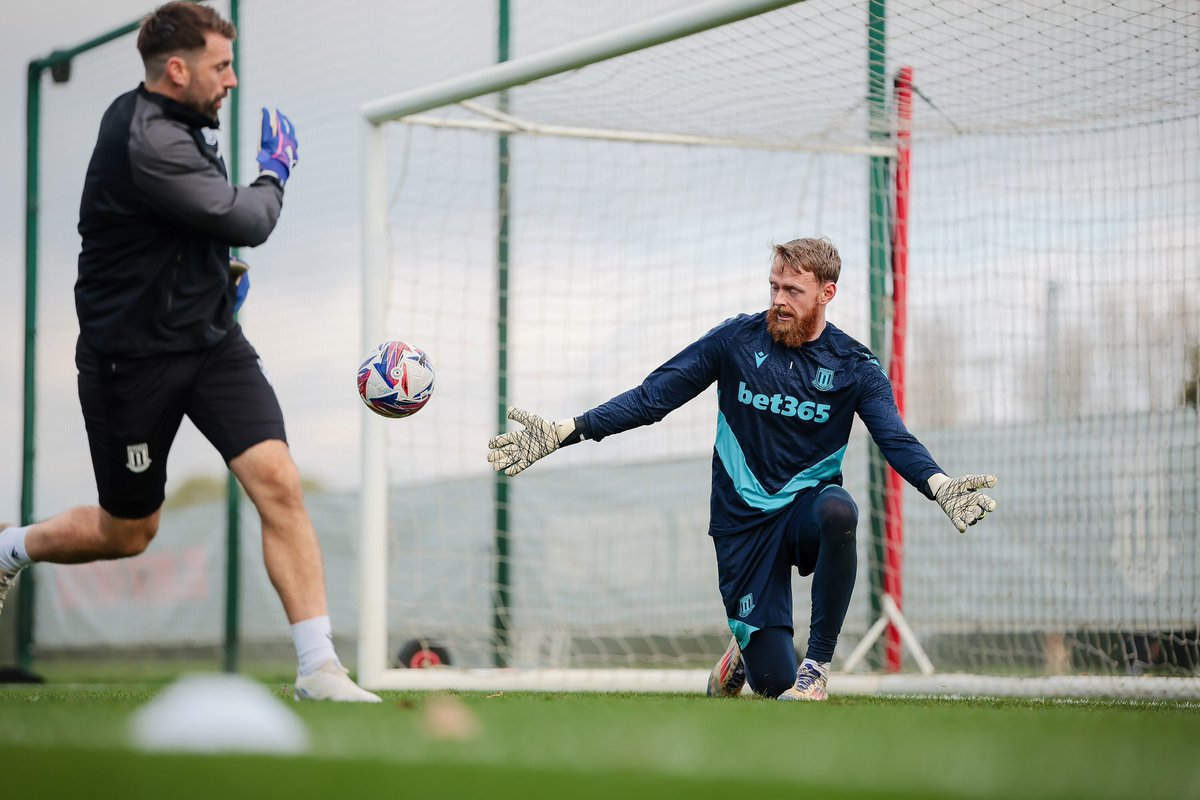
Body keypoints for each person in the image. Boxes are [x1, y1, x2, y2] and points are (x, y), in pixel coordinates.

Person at [0, 2, 378, 702]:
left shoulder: (185, 123)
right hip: (131, 364)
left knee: (279, 480)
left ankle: (318, 667)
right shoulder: (151, 139)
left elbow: (185, 237)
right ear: (177, 70)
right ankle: (9, 547)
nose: (231, 81)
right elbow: (246, 218)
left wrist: (212, 285)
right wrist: (277, 170)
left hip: (211, 345)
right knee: (129, 531)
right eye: (220, 66)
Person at [487, 237, 997, 701]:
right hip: (741, 526)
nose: (779, 299)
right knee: (773, 685)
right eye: (774, 285)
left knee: (840, 510)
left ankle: (816, 668)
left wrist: (941, 485)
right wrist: (565, 431)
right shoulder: (735, 341)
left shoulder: (853, 366)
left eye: (793, 290)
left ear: (827, 293)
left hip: (803, 511)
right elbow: (652, 398)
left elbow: (895, 439)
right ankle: (744, 656)